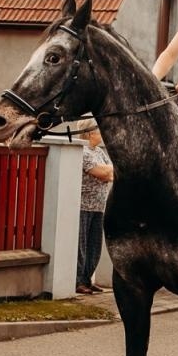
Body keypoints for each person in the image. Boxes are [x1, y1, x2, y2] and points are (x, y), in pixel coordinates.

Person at [77, 125, 113, 294]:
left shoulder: (99, 151)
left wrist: (108, 172)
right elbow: (103, 173)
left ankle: (87, 278)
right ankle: (78, 281)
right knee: (81, 245)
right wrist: (107, 172)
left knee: (95, 245)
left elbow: (112, 170)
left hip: (99, 207)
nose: (102, 134)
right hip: (84, 206)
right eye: (99, 130)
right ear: (90, 133)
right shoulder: (83, 152)